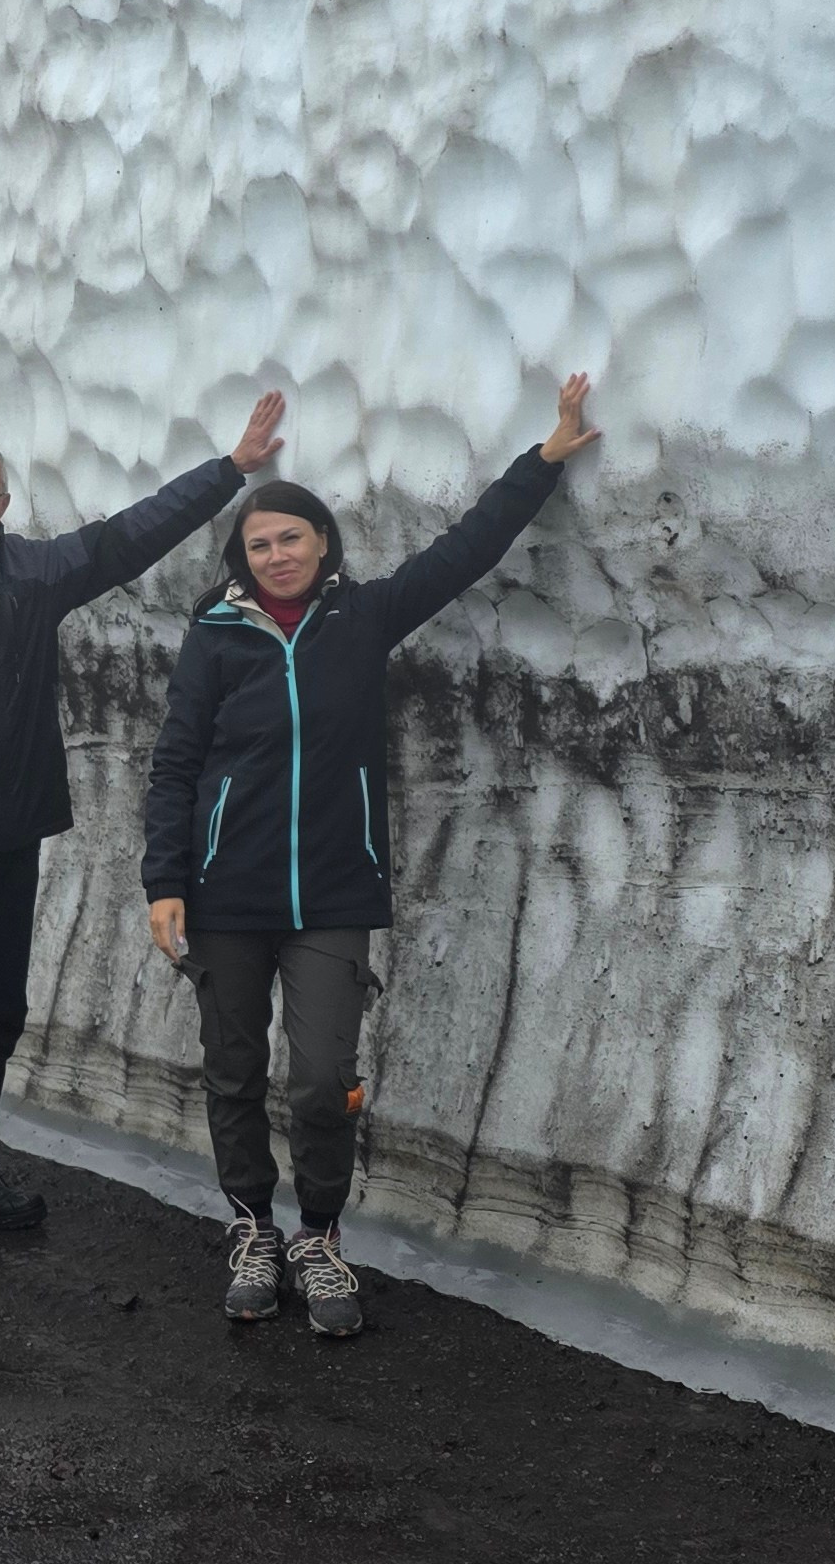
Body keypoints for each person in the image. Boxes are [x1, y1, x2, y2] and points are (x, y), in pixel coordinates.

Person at [141, 375, 599, 1331]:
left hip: (333, 891)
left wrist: (544, 459)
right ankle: (251, 1228)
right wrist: (165, 883)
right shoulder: (216, 638)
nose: (276, 555)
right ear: (241, 556)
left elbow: (466, 551)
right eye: (259, 544)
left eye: (291, 539)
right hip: (225, 895)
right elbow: (177, 762)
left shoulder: (365, 618)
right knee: (231, 1069)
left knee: (318, 1079)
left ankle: (318, 1238)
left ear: (322, 545)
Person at [0, 396, 289, 1262]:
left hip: (11, 831)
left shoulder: (32, 574)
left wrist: (229, 470)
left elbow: (124, 539)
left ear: (7, 504)